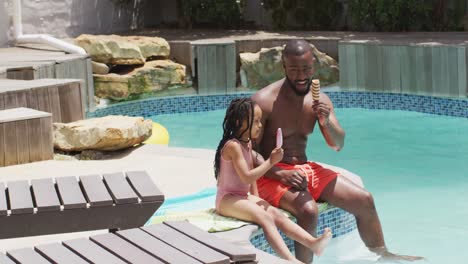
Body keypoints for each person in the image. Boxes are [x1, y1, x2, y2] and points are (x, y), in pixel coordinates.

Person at [251, 39, 424, 263]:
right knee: (308, 211)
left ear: (314, 66)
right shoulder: (263, 101)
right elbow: (248, 152)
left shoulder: (319, 99)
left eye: (306, 69)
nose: (301, 75)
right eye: (294, 70)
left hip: (303, 168)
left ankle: (384, 255)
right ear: (284, 67)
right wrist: (279, 174)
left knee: (364, 200)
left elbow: (337, 144)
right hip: (269, 172)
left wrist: (326, 121)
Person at [214, 98, 332, 263]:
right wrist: (271, 161)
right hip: (227, 199)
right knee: (265, 217)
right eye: (255, 121)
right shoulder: (232, 146)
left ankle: (312, 243)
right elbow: (247, 176)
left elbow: (251, 180)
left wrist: (256, 198)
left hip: (242, 197)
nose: (260, 125)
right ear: (240, 122)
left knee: (275, 214)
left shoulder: (246, 143)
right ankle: (291, 260)